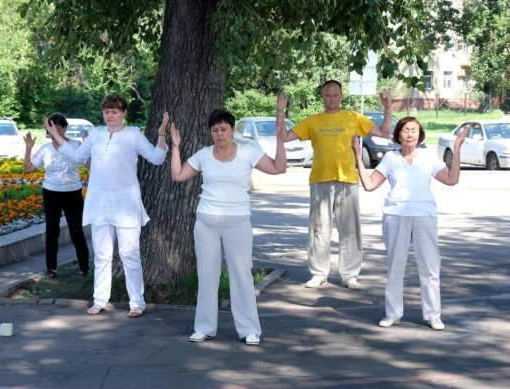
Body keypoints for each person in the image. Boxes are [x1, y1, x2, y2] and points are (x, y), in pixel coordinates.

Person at [169, 93, 288, 345]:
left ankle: (249, 329)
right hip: (207, 222)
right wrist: (176, 147)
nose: (219, 134)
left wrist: (280, 139)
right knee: (207, 274)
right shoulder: (203, 154)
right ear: (210, 133)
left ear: (233, 130)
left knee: (241, 274)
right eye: (215, 130)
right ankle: (204, 326)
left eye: (224, 129)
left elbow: (279, 168)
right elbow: (178, 175)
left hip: (238, 221)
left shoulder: (248, 151)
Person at [46, 93, 169, 318]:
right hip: (100, 202)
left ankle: (137, 302)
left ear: (124, 113)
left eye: (114, 111)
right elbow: (77, 156)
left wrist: (162, 134)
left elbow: (156, 158)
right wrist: (55, 135)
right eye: (106, 111)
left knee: (130, 253)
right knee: (102, 255)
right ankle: (100, 299)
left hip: (126, 203)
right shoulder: (96, 134)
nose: (110, 115)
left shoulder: (133, 134)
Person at [352, 118, 467, 330]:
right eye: (406, 130)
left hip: (424, 216)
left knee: (430, 268)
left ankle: (433, 314)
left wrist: (457, 149)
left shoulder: (428, 158)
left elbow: (452, 179)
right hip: (395, 216)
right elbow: (369, 185)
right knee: (395, 266)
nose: (410, 134)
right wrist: (358, 158)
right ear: (398, 135)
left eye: (414, 130)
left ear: (420, 134)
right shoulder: (390, 158)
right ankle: (392, 313)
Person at [281, 80, 393, 290]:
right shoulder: (313, 121)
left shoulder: (353, 118)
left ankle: (349, 275)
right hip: (320, 179)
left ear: (341, 96)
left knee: (349, 229)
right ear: (322, 97)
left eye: (335, 95)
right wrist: (280, 111)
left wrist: (387, 108)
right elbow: (284, 137)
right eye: (327, 95)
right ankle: (318, 273)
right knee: (319, 229)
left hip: (347, 179)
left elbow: (384, 132)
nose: (331, 99)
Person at [23, 113, 90, 278]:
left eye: (57, 130)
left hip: (73, 193)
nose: (53, 134)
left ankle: (84, 268)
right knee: (51, 232)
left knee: (76, 232)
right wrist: (29, 148)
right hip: (51, 194)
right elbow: (28, 168)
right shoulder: (45, 149)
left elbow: (89, 165)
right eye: (50, 130)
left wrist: (89, 145)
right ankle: (51, 269)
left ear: (65, 129)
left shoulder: (75, 145)